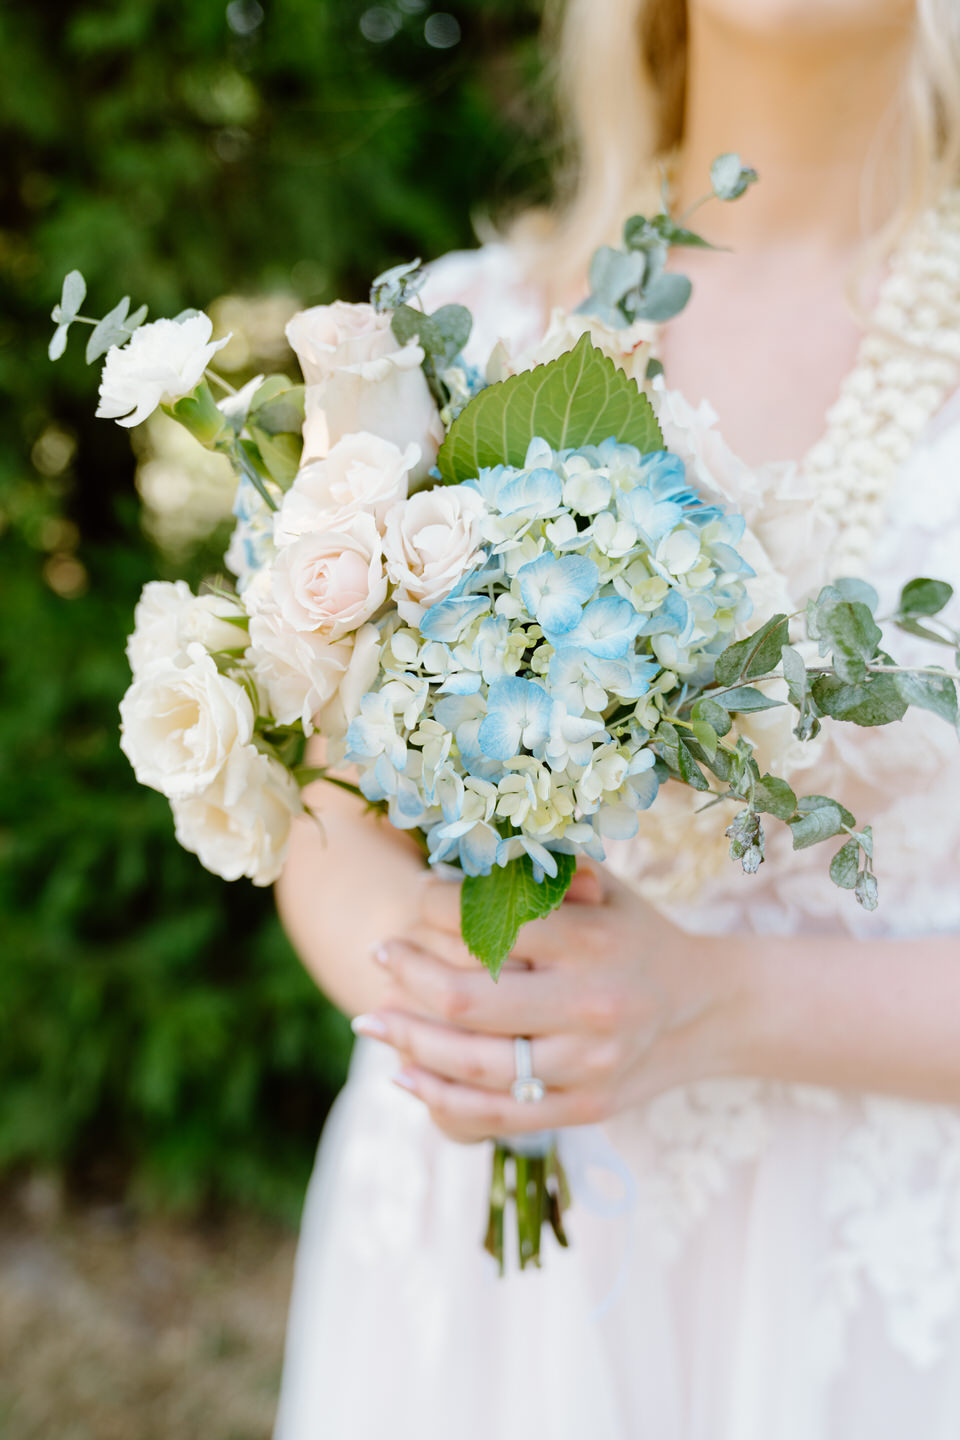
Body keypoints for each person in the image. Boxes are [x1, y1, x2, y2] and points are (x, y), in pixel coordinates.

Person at [272, 1, 960, 1435]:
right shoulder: (445, 337)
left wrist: (728, 1004)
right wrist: (460, 1007)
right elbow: (326, 807)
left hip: (883, 1282)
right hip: (485, 1275)